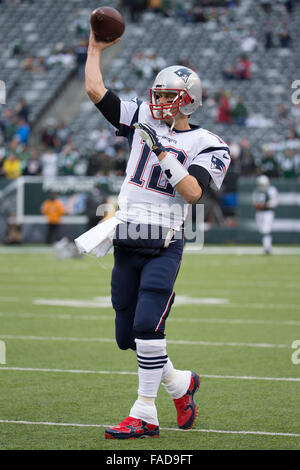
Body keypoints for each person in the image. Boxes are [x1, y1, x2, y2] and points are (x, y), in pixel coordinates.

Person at [84, 28, 231, 440]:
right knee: (127, 337)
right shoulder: (143, 116)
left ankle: (144, 413)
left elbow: (193, 192)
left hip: (164, 240)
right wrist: (94, 47)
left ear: (188, 99)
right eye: (158, 93)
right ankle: (180, 385)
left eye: (168, 95)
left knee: (149, 325)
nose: (159, 101)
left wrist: (162, 152)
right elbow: (96, 90)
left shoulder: (209, 143)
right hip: (127, 237)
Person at [252, 175, 278, 255]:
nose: (261, 186)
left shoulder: (271, 190)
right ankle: (267, 247)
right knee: (262, 230)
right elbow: (254, 203)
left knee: (266, 230)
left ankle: (267, 248)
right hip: (259, 213)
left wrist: (265, 205)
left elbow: (274, 203)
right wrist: (257, 205)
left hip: (267, 212)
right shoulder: (256, 191)